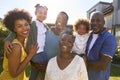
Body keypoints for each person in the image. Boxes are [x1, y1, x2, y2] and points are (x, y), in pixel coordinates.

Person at [4, 4, 49, 80]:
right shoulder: (33, 23)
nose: (42, 15)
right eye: (40, 12)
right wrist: (7, 40)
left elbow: (50, 32)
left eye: (45, 13)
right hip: (37, 52)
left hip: (36, 52)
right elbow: (14, 30)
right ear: (35, 13)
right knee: (46, 70)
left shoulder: (44, 25)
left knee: (34, 72)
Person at [0, 8, 38, 80]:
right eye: (19, 26)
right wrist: (30, 55)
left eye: (26, 24)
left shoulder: (24, 42)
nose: (24, 28)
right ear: (14, 29)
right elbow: (13, 74)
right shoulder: (16, 47)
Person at [85, 11, 117, 80]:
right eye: (92, 20)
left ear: (103, 22)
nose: (95, 23)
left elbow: (102, 65)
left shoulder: (109, 38)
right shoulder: (88, 36)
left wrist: (82, 63)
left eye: (98, 20)